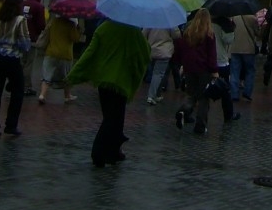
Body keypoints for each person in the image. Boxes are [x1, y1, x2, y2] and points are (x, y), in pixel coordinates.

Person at [67, 19, 150, 167]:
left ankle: (113, 152)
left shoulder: (104, 28)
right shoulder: (133, 32)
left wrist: (74, 74)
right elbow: (144, 53)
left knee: (111, 117)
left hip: (103, 80)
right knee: (113, 119)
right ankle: (98, 153)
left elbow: (90, 52)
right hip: (121, 81)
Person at [173, 8, 235, 133]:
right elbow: (212, 54)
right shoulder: (209, 34)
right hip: (204, 70)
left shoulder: (188, 32)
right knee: (203, 98)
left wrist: (182, 65)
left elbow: (181, 51)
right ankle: (200, 125)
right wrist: (214, 70)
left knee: (191, 95)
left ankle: (182, 111)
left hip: (189, 69)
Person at [0, 0, 31, 138]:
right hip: (12, 58)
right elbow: (24, 43)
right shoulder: (20, 20)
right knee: (17, 91)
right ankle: (11, 124)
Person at [38, 16, 81, 104]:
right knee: (66, 76)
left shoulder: (53, 22)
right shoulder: (71, 24)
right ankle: (67, 96)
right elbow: (75, 39)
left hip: (51, 52)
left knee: (46, 75)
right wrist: (78, 29)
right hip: (65, 54)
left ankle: (42, 95)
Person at [142, 27, 180, 105]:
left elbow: (143, 34)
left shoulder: (151, 19)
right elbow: (176, 35)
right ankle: (151, 96)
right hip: (164, 51)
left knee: (155, 74)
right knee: (158, 74)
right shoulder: (169, 21)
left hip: (151, 50)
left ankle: (157, 95)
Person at [21, 0, 46, 96]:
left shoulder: (21, 4)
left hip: (19, 37)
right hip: (31, 38)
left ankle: (16, 83)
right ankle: (26, 87)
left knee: (21, 62)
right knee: (29, 63)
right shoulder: (39, 7)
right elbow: (41, 24)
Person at [229, 13, 259, 102]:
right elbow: (258, 33)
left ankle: (234, 94)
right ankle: (247, 92)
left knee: (234, 72)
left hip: (235, 48)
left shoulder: (234, 18)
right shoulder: (253, 19)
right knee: (250, 71)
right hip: (249, 49)